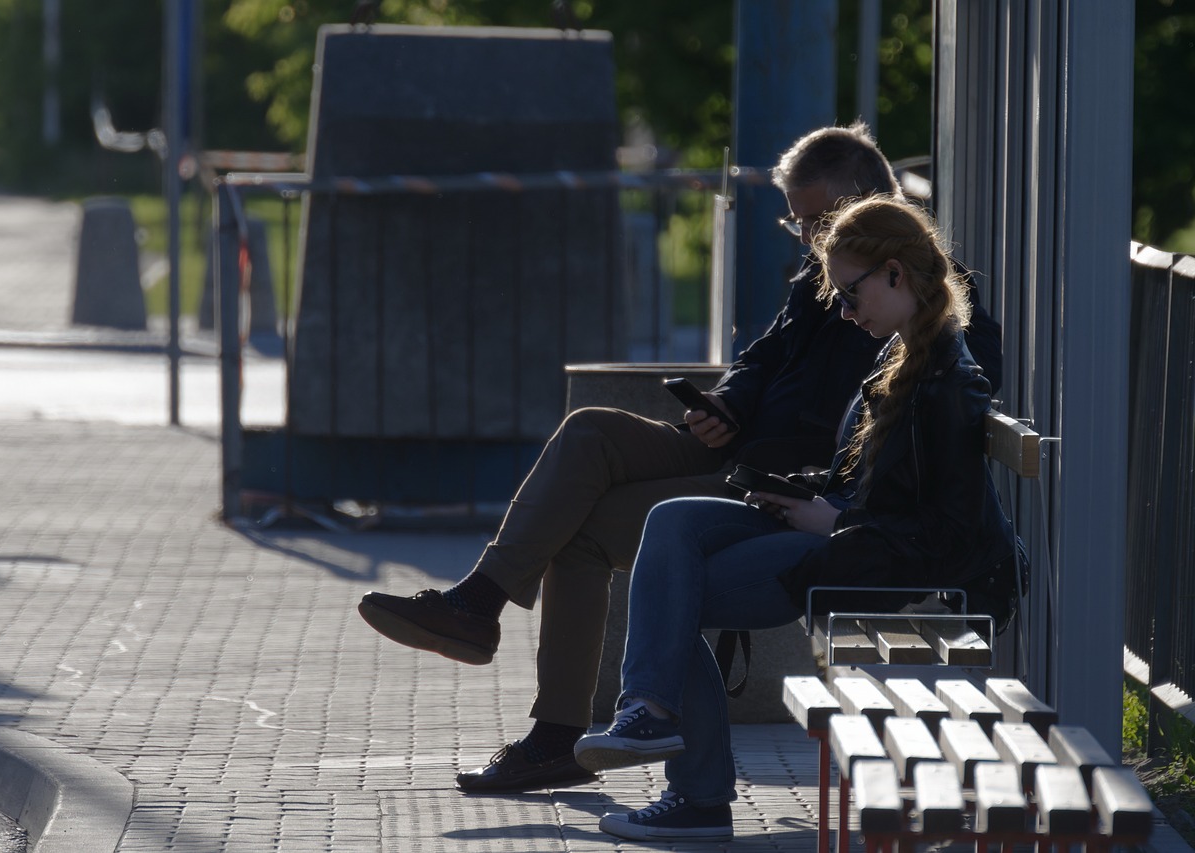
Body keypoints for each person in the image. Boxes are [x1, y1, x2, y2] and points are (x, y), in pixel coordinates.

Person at [357, 122, 1003, 794]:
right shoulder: (829, 275)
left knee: (582, 535)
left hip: (781, 481)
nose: (811, 243)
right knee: (590, 430)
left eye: (820, 221)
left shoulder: (925, 299)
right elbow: (763, 357)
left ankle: (556, 738)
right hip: (736, 446)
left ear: (871, 213)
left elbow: (957, 389)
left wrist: (828, 494)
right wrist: (725, 403)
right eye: (799, 225)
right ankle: (477, 602)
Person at [571, 195, 1019, 842]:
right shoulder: (903, 354)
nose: (843, 310)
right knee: (672, 522)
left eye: (850, 292)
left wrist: (830, 524)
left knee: (675, 595)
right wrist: (805, 494)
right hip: (840, 528)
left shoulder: (948, 379)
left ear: (895, 272)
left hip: (864, 557)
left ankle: (695, 791)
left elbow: (945, 538)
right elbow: (870, 483)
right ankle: (646, 711)